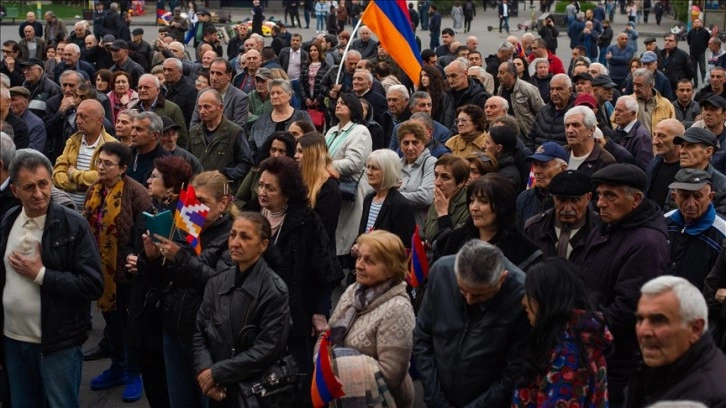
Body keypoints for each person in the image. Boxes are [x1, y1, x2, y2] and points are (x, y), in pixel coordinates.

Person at [0, 148, 103, 407]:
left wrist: (41, 275)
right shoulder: (9, 220)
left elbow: (93, 284)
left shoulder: (72, 225)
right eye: (29, 187)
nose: (38, 193)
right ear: (14, 191)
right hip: (13, 340)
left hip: (57, 344)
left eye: (44, 184)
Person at [573, 163, 669, 405]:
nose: (600, 203)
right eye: (599, 195)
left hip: (617, 360)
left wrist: (578, 324)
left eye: (610, 196)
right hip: (593, 350)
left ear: (636, 199)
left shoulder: (646, 243)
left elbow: (628, 310)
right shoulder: (608, 227)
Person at [254, 156, 340, 385]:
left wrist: (320, 314)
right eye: (261, 185)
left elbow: (324, 270)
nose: (262, 192)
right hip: (256, 317)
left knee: (294, 382)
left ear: (287, 192)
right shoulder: (253, 218)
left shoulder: (306, 220)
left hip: (295, 317)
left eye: (270, 188)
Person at [415, 240, 530, 407]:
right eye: (462, 291)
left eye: (479, 296)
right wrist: (435, 399)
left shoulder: (522, 296)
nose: (469, 300)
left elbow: (514, 370)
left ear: (502, 278)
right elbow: (422, 338)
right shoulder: (441, 272)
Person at [192, 211, 291, 406]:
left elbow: (268, 348)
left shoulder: (274, 290)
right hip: (217, 386)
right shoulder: (217, 281)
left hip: (255, 392)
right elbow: (199, 331)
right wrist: (205, 371)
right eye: (233, 234)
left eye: (245, 237)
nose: (235, 242)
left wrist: (216, 373)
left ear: (263, 245)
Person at [125, 155, 192, 406]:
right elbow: (130, 244)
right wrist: (131, 257)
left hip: (168, 311)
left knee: (169, 386)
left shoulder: (188, 216)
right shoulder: (148, 211)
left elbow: (182, 267)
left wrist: (145, 263)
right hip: (143, 306)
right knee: (152, 378)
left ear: (172, 185)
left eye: (155, 177)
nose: (148, 180)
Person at [322, 230, 415, 407]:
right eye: (359, 258)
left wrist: (335, 363)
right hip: (337, 392)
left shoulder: (398, 309)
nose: (358, 265)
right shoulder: (353, 291)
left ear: (391, 268)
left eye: (369, 261)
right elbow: (328, 334)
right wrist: (323, 361)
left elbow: (391, 374)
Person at [513, 258, 612, 407]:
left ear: (547, 300)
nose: (524, 302)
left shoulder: (569, 356)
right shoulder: (570, 340)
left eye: (530, 295)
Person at [625, 276, 726, 407]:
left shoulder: (715, 397)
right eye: (640, 319)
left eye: (659, 320)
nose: (643, 331)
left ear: (695, 329)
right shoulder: (651, 369)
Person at [436, 173, 543, 270]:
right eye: (472, 201)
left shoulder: (523, 251)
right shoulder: (457, 239)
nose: (474, 207)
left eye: (483, 201)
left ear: (502, 206)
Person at [324, 93, 372, 259]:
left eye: (343, 103)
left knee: (346, 235)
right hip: (330, 186)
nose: (338, 105)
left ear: (353, 108)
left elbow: (353, 163)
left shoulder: (360, 131)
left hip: (349, 189)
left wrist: (323, 166)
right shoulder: (331, 131)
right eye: (337, 102)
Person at [664, 169, 726, 290]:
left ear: (710, 197)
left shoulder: (722, 234)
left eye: (698, 196)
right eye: (685, 196)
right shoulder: (664, 223)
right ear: (674, 197)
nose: (691, 203)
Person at [52, 99, 117, 211]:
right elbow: (57, 175)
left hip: (96, 213)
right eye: (77, 116)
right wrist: (76, 185)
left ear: (99, 120)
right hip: (68, 210)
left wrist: (73, 173)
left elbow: (104, 177)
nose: (78, 121)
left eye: (83, 116)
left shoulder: (112, 145)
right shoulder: (72, 141)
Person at [525, 170, 597, 260]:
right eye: (561, 200)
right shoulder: (534, 228)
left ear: (588, 198)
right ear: (553, 198)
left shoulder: (601, 230)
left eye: (574, 201)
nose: (567, 209)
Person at [188, 88, 253, 188]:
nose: (202, 111)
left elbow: (246, 163)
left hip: (221, 191)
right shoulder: (194, 132)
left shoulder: (235, 132)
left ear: (221, 107)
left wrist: (225, 175)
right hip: (196, 189)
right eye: (199, 107)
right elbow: (187, 160)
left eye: (207, 107)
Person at [355, 149, 416, 252]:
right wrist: (357, 245)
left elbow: (404, 245)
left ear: (388, 171)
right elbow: (362, 232)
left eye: (374, 168)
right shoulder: (369, 199)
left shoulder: (400, 204)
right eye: (368, 167)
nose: (368, 172)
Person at [294, 132, 341, 246]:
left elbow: (324, 230)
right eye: (296, 151)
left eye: (300, 151)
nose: (295, 155)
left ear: (312, 154)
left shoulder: (329, 187)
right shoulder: (299, 180)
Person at [250, 79, 313, 161]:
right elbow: (251, 145)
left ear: (289, 95)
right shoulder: (262, 119)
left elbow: (312, 142)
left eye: (279, 93)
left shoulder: (302, 116)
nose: (275, 96)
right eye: (272, 93)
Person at [236, 131, 296, 209]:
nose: (276, 155)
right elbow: (239, 199)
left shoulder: (294, 177)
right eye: (273, 150)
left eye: (281, 151)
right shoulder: (256, 170)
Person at [516, 142, 569, 225]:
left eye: (544, 166)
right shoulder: (524, 198)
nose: (536, 171)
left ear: (563, 169)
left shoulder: (571, 202)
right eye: (535, 165)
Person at [398, 122, 436, 230]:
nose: (410, 148)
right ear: (400, 145)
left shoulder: (430, 163)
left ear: (423, 144)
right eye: (406, 143)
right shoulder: (397, 164)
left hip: (419, 230)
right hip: (397, 228)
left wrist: (393, 195)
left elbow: (425, 197)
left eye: (415, 142)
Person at [424, 154, 469, 243]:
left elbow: (450, 243)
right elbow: (427, 231)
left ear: (461, 182)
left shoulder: (470, 206)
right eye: (436, 175)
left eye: (445, 177)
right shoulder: (438, 198)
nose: (437, 182)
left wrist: (443, 214)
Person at [528, 74, 575, 148]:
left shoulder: (576, 114)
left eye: (559, 89)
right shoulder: (543, 112)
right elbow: (531, 137)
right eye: (552, 89)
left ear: (570, 90)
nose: (554, 93)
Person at [646, 118, 683, 211]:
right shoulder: (654, 162)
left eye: (661, 136)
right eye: (654, 135)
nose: (654, 141)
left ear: (678, 140)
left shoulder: (687, 170)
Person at [612, 95, 655, 170]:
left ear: (632, 114)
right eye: (616, 109)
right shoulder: (616, 131)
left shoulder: (642, 136)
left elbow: (643, 168)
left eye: (620, 111)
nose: (616, 113)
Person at [484, 123, 529, 192]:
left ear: (499, 148)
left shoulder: (508, 178)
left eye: (487, 142)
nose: (483, 146)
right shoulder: (493, 165)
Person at [687, 18, 711, 88]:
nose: (696, 23)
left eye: (698, 22)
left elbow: (708, 40)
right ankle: (695, 84)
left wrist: (704, 47)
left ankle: (704, 84)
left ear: (701, 23)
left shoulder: (705, 32)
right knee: (693, 69)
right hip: (692, 53)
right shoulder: (691, 32)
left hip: (701, 53)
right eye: (695, 22)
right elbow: (689, 41)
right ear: (693, 24)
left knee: (702, 69)